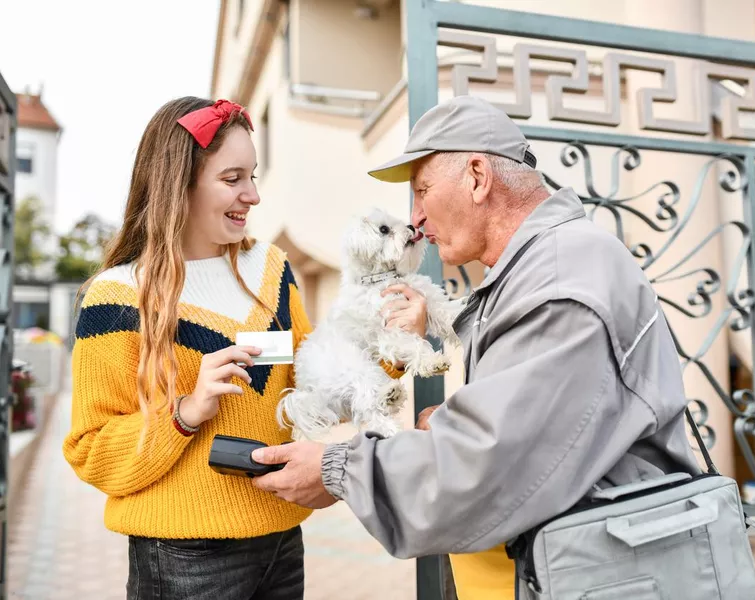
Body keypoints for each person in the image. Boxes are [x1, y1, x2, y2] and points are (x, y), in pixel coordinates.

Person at [247, 95, 702, 600]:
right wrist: (456, 420)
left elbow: (484, 469)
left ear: (478, 177)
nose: (415, 218)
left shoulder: (559, 281)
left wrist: (336, 469)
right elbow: (543, 425)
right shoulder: (536, 267)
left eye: (422, 191)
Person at [61, 96, 423, 600]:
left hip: (281, 541)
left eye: (253, 176)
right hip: (181, 559)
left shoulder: (271, 270)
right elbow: (90, 449)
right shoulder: (118, 298)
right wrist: (185, 412)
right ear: (177, 186)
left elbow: (314, 382)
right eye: (233, 179)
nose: (252, 195)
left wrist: (396, 342)